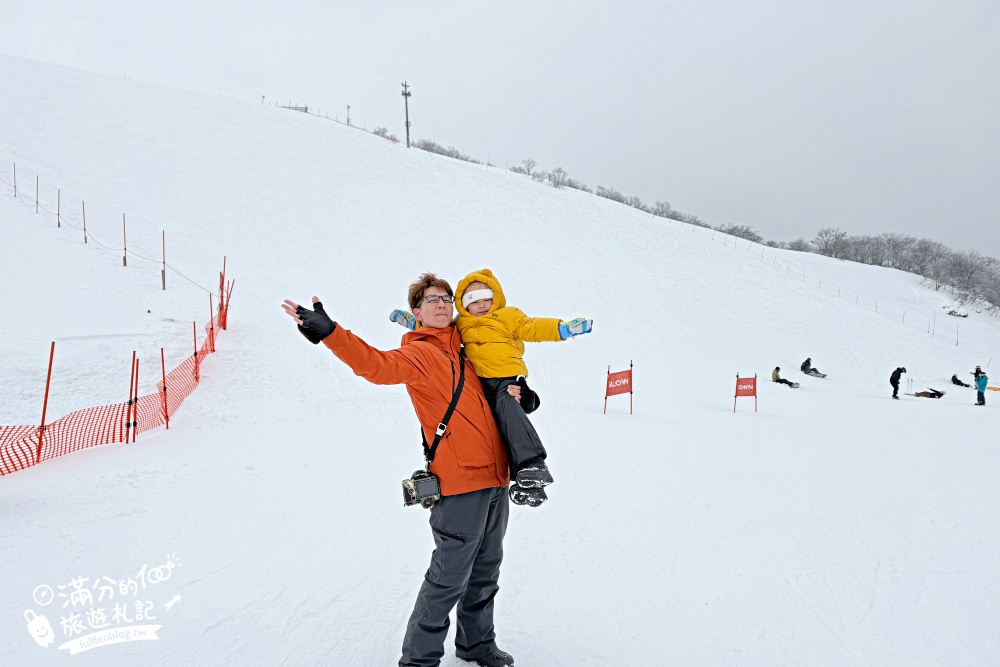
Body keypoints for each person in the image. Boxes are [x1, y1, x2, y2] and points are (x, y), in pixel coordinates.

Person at [282, 273, 518, 667]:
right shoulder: (419, 354)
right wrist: (332, 334)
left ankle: (477, 644)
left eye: (446, 298)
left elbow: (500, 394)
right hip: (460, 484)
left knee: (486, 572)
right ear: (417, 312)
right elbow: (375, 366)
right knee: (448, 580)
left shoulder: (470, 351)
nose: (441, 304)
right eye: (431, 300)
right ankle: (418, 661)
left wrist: (523, 396)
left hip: (496, 479)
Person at [454, 268, 592, 508]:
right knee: (486, 428)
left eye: (487, 298)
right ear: (464, 305)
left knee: (509, 411)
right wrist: (416, 322)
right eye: (474, 301)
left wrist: (563, 329)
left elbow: (533, 327)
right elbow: (440, 333)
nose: (483, 305)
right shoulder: (460, 323)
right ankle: (527, 486)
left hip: (505, 379)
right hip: (477, 384)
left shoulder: (508, 316)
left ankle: (532, 465)